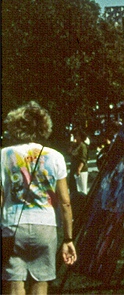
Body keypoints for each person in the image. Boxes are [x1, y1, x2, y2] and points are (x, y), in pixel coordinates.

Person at [1, 101, 77, 294]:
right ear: (45, 127)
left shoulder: (3, 155)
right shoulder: (56, 157)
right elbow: (65, 202)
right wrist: (68, 239)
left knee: (14, 281)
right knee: (41, 282)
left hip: (12, 226)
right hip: (45, 225)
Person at [68, 132, 88, 197]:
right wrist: (72, 144)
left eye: (77, 135)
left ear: (80, 137)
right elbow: (69, 152)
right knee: (73, 188)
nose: (75, 137)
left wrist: (79, 169)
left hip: (81, 171)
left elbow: (83, 159)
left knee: (81, 189)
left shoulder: (83, 146)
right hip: (73, 169)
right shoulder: (75, 145)